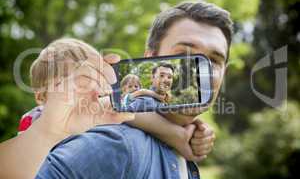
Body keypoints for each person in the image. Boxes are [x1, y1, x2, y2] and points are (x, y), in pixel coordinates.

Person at [36, 1, 233, 179]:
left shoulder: (179, 148)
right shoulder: (117, 145)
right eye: (184, 53)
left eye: (214, 61)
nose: (198, 70)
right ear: (150, 57)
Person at [0, 38, 206, 178]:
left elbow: (133, 115)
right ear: (40, 97)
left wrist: (175, 133)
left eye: (88, 80)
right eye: (62, 84)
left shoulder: (98, 118)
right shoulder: (33, 124)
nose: (78, 92)